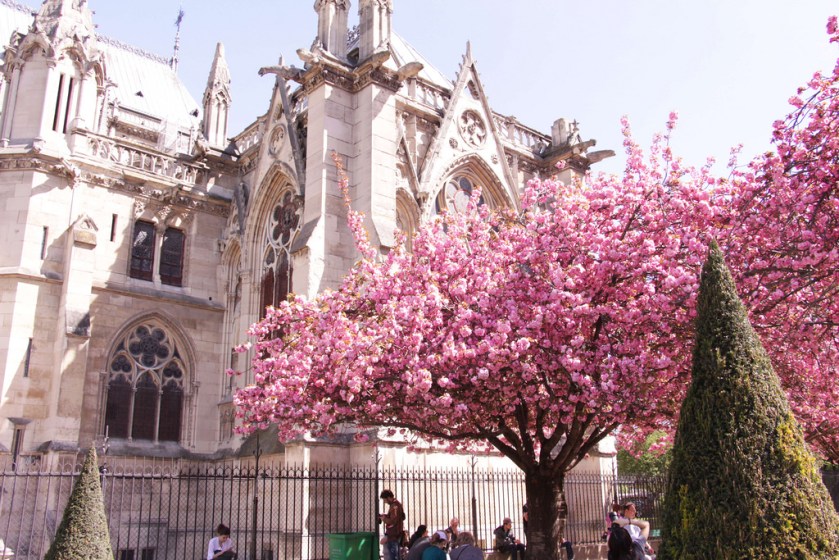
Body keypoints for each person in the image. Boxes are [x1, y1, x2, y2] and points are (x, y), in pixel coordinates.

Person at [380, 489, 406, 560]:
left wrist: (383, 519)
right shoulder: (395, 505)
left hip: (393, 535)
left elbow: (392, 521)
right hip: (394, 534)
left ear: (388, 497)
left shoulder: (395, 506)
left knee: (393, 557)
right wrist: (386, 516)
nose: (385, 502)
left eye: (385, 500)